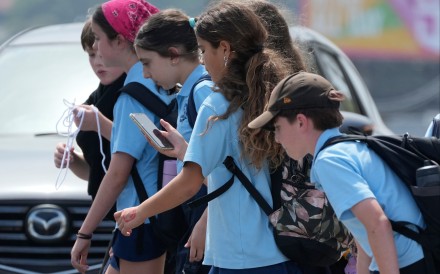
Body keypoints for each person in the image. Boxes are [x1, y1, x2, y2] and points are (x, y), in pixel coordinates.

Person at [114, 1, 303, 273]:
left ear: (224, 49)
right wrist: (185, 151)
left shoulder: (217, 105)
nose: (201, 60)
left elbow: (189, 183)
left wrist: (139, 212)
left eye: (203, 50)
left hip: (238, 257)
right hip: (282, 251)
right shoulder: (273, 94)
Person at [248, 71, 427, 274]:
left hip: (407, 265)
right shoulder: (349, 147)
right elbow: (364, 233)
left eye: (277, 127)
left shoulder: (329, 161)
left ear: (300, 121)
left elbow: (378, 224)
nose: (277, 139)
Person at [69, 1, 175, 273]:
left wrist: (84, 233)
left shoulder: (132, 96)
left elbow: (117, 174)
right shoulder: (157, 83)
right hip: (150, 215)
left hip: (141, 218)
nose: (97, 50)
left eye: (99, 39)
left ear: (119, 41)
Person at [134, 9, 213, 274]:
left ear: (173, 55)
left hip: (207, 210)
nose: (145, 74)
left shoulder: (202, 91)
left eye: (147, 63)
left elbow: (229, 167)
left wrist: (205, 221)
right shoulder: (190, 92)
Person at [53, 18, 126, 220]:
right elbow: (97, 170)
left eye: (102, 54)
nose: (98, 62)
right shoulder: (96, 96)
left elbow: (148, 151)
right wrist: (73, 160)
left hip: (133, 211)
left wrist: (101, 125)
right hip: (106, 212)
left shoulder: (135, 94)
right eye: (91, 55)